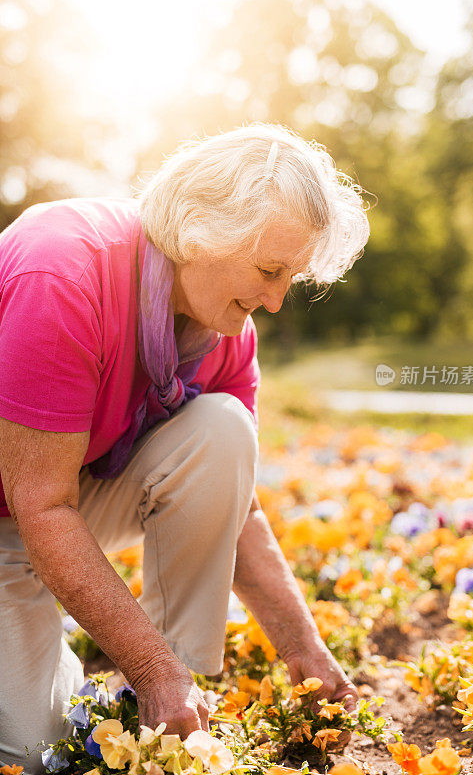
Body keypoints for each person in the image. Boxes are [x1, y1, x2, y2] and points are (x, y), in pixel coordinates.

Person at [0, 124, 370, 773]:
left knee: (223, 429)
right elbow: (39, 503)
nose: (277, 301)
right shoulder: (62, 271)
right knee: (32, 754)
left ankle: (170, 704)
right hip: (22, 507)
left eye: (291, 278)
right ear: (203, 231)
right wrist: (148, 666)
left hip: (55, 504)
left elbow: (237, 508)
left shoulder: (228, 332)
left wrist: (304, 648)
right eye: (269, 271)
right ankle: (148, 677)